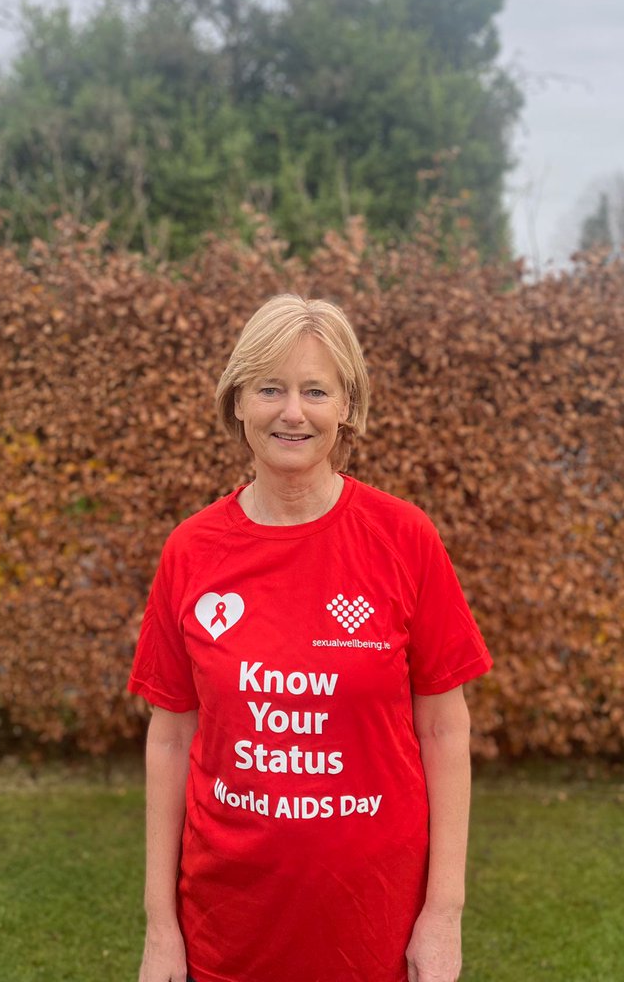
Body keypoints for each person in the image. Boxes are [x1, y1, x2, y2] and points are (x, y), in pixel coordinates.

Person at [129, 294, 492, 982]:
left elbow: (446, 731)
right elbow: (170, 738)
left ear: (346, 407)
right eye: (270, 388)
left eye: (315, 390)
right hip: (224, 925)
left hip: (375, 925)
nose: (292, 412)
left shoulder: (403, 539)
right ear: (237, 402)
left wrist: (443, 915)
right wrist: (160, 927)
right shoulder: (191, 551)